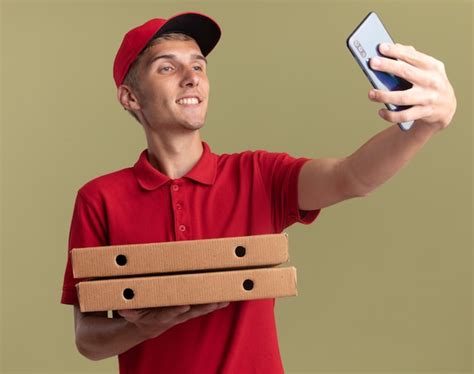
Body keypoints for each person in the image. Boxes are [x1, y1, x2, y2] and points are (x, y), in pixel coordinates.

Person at [60, 11, 456, 374]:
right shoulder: (99, 199)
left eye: (198, 65)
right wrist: (149, 327)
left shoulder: (257, 175)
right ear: (131, 97)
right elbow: (88, 341)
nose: (192, 76)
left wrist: (424, 127)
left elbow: (351, 177)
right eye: (168, 67)